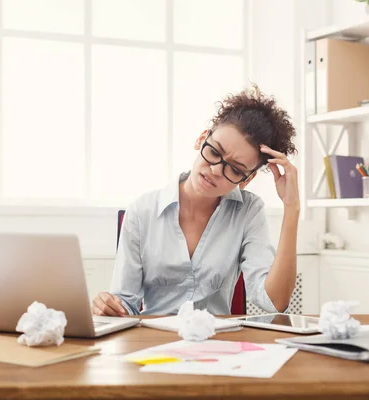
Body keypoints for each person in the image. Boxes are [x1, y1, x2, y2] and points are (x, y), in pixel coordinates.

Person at [92, 85, 299, 316]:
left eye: (234, 169)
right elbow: (125, 306)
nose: (215, 170)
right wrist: (108, 307)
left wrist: (292, 208)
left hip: (217, 343)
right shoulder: (142, 211)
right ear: (202, 139)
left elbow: (274, 303)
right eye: (214, 152)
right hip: (154, 344)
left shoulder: (249, 211)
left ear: (246, 180)